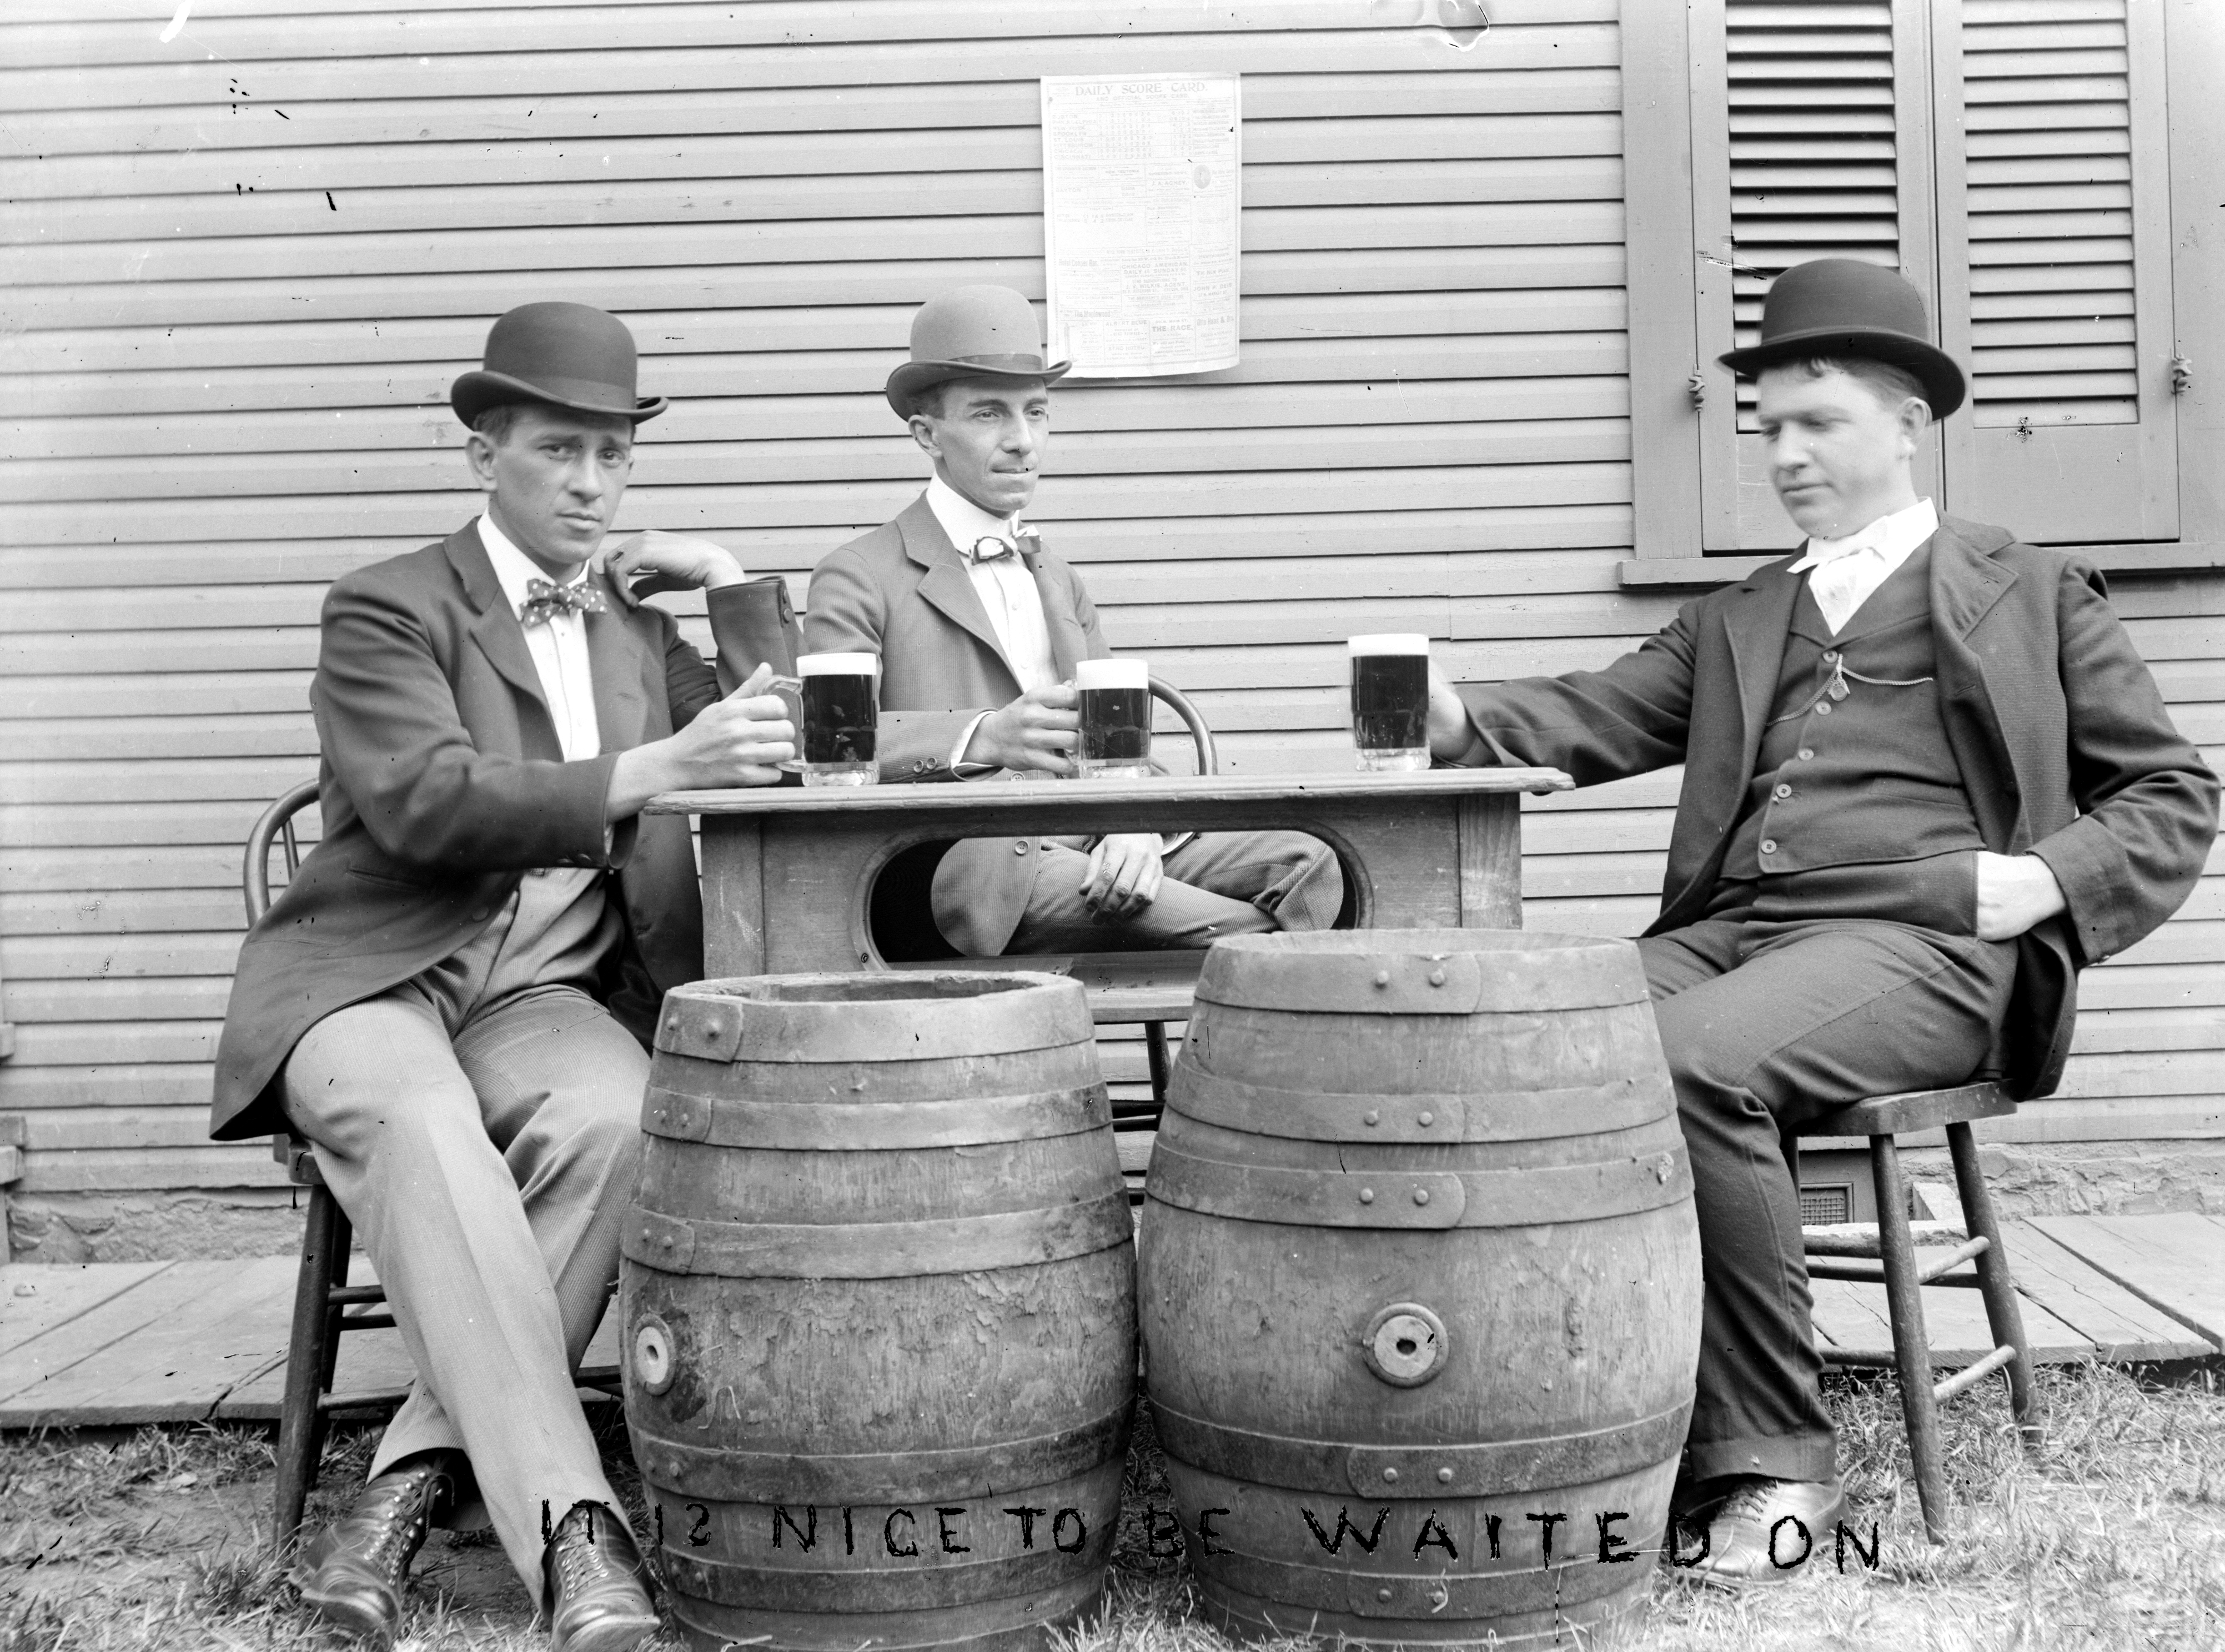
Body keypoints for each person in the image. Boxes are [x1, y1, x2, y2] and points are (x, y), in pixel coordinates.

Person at [1423, 259, 2218, 1584]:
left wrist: (2046, 881)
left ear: (1908, 423)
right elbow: (1590, 714)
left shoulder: (2025, 589)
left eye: (1817, 422)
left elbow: (2170, 792)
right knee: (1522, 1043)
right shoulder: (1743, 615)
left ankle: (1772, 1465)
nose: (1782, 453)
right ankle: (1589, 1421)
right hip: (1741, 931)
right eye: (1768, 427)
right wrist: (1449, 716)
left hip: (1930, 947)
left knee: (1689, 1064)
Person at [209, 302, 796, 1651]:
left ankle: (404, 1484)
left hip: (542, 1000)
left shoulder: (638, 629)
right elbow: (423, 805)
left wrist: (726, 581)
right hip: (375, 982)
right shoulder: (386, 606)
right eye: (559, 453)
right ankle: (572, 1536)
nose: (592, 488)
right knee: (422, 1124)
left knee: (623, 1116)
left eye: (614, 457)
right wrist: (649, 773)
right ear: (485, 453)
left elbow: (797, 738)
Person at [805, 284, 1341, 958]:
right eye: (988, 415)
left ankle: (1267, 1022)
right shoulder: (859, 572)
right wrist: (983, 736)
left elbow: (1121, 749)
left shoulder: (1055, 575)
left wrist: (1137, 825)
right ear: (926, 435)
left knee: (1312, 861)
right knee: (1246, 940)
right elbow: (826, 751)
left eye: (1036, 412)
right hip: (970, 871)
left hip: (1089, 836)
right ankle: (1270, 1004)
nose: (1022, 442)